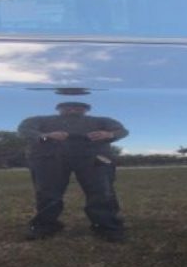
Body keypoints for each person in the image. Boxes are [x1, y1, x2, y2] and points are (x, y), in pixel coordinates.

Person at [18, 102, 128, 241]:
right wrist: (47, 136)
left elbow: (122, 131)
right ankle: (45, 225)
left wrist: (109, 134)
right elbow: (24, 130)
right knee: (47, 192)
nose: (72, 109)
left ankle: (107, 226)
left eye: (78, 107)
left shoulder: (102, 120)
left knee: (102, 191)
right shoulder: (40, 120)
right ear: (58, 108)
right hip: (51, 158)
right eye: (67, 106)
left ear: (86, 109)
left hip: (94, 157)